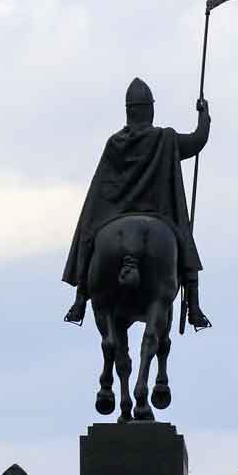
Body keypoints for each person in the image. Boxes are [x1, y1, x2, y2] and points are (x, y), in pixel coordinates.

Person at [62, 77, 212, 329]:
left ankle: (80, 300)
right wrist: (204, 114)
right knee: (184, 243)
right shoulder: (166, 139)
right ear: (150, 110)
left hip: (113, 213)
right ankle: (194, 308)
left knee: (89, 229)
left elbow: (102, 188)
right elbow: (198, 140)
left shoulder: (115, 142)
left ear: (128, 111)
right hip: (159, 215)